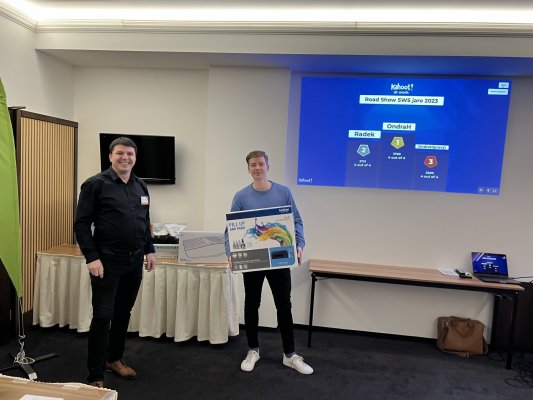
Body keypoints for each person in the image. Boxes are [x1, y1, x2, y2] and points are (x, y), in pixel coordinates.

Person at [74, 137, 156, 388]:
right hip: (106, 262)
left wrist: (149, 250)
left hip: (134, 261)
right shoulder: (95, 185)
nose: (125, 158)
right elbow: (81, 224)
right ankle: (95, 375)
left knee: (123, 313)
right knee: (102, 317)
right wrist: (92, 257)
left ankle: (114, 359)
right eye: (120, 153)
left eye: (130, 154)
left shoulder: (140, 185)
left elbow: (145, 220)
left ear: (135, 158)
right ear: (110, 156)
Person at [225, 150, 313, 375]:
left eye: (261, 164)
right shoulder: (241, 197)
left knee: (284, 305)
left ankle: (290, 355)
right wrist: (230, 252)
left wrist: (300, 244)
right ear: (248, 169)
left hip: (279, 258)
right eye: (253, 165)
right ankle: (253, 350)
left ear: (268, 166)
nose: (257, 168)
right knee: (251, 304)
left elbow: (297, 221)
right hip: (252, 260)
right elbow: (231, 230)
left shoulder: (284, 192)